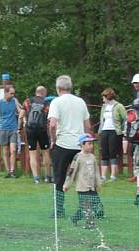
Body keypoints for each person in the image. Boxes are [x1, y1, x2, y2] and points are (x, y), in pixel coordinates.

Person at [48, 75, 91, 218]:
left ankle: (59, 210)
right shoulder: (81, 102)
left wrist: (53, 139)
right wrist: (86, 143)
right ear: (70, 87)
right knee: (82, 178)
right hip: (78, 145)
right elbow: (87, 126)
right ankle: (86, 209)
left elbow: (53, 124)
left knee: (59, 178)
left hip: (62, 144)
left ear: (58, 88)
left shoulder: (56, 102)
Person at [64, 134, 103, 228]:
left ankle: (75, 218)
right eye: (89, 144)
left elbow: (96, 171)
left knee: (95, 204)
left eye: (92, 144)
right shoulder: (78, 157)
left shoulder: (92, 157)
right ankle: (90, 223)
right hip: (82, 187)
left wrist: (99, 183)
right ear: (82, 145)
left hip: (92, 187)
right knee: (86, 206)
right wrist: (67, 185)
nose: (91, 146)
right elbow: (71, 172)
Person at [23, 86, 52, 184]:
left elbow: (22, 115)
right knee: (46, 153)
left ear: (36, 92)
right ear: (44, 93)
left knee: (32, 154)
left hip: (30, 130)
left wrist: (22, 125)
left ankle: (36, 178)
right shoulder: (47, 103)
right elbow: (50, 118)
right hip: (42, 130)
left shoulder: (28, 101)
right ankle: (48, 176)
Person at [0, 86, 23, 179]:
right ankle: (8, 171)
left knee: (13, 150)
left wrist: (21, 115)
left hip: (13, 129)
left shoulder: (14, 101)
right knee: (5, 151)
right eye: (11, 93)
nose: (13, 95)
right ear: (5, 93)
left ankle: (12, 170)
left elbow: (20, 111)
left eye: (13, 93)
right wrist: (3, 122)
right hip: (3, 129)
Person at [98, 88, 126, 183]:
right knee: (104, 153)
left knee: (113, 153)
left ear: (108, 97)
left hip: (114, 132)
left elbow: (125, 118)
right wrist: (100, 131)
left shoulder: (119, 106)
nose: (103, 99)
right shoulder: (104, 107)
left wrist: (122, 130)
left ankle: (113, 176)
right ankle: (103, 176)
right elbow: (102, 120)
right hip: (104, 131)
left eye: (104, 97)